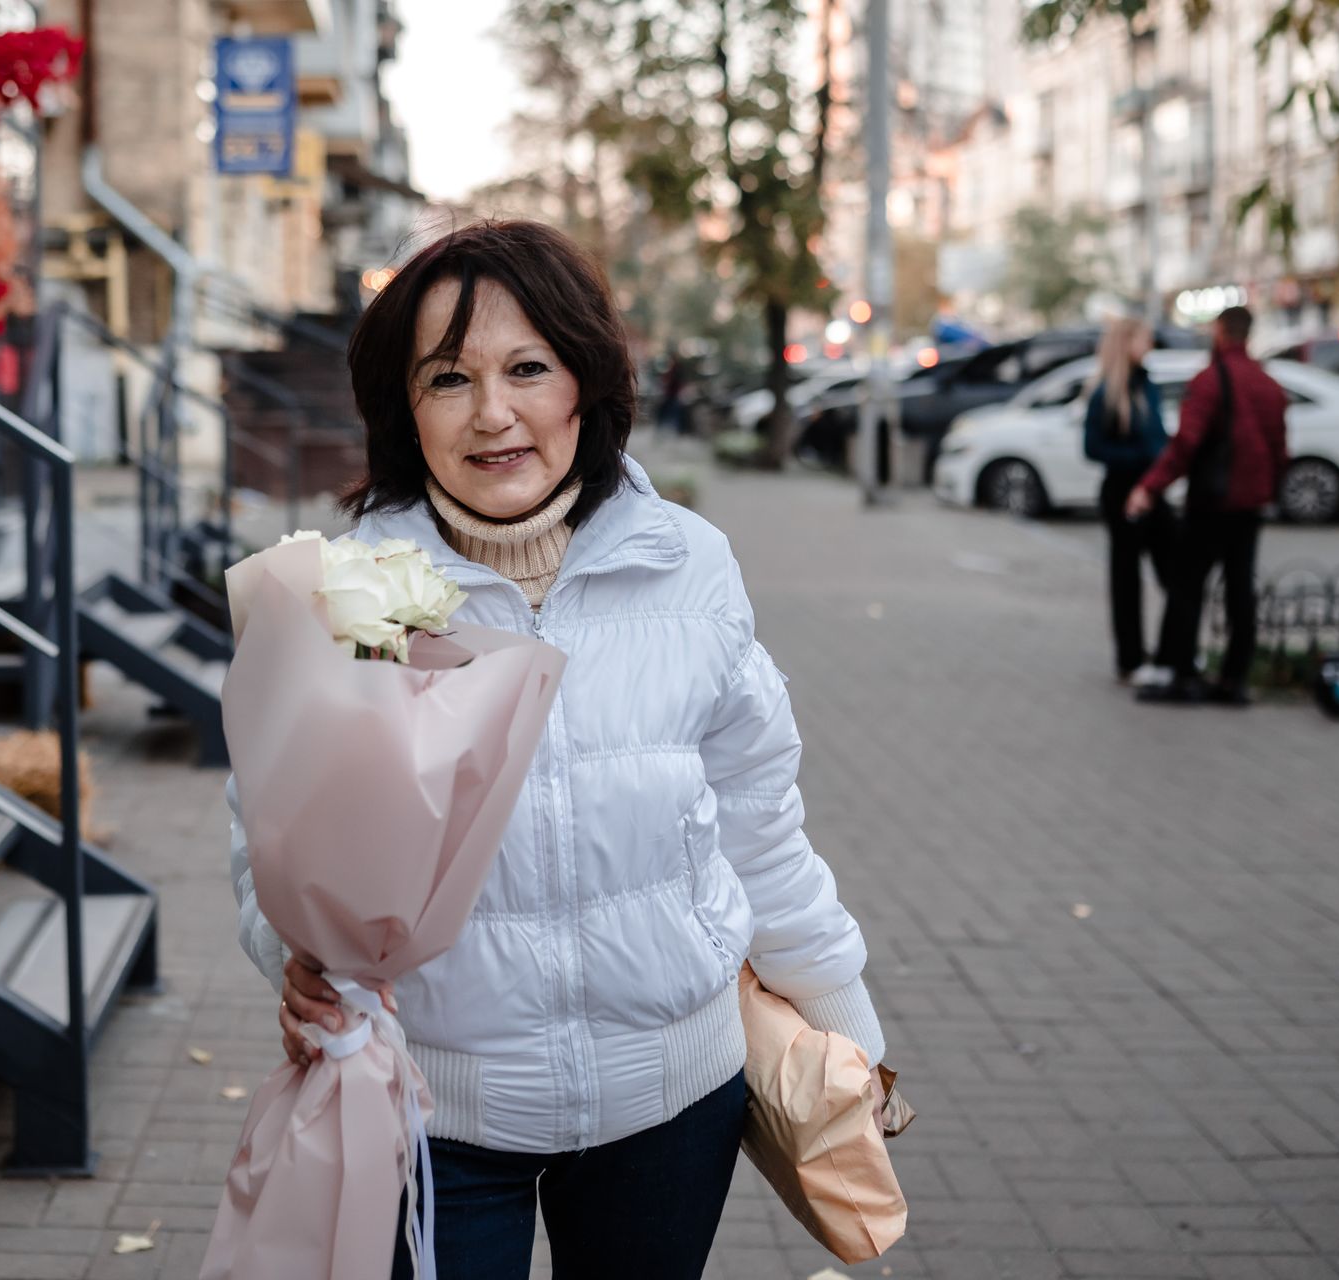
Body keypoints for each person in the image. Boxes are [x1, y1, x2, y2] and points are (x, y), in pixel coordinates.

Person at [227, 220, 889, 1280]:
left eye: (528, 368)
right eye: (449, 377)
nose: (494, 413)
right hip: (437, 1108)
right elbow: (264, 833)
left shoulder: (692, 566)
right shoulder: (339, 590)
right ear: (406, 405)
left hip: (671, 1102)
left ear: (588, 380)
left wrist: (850, 1028)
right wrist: (292, 954)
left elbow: (760, 822)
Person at [1126, 305, 1289, 705]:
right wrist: (1268, 492)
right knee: (1239, 590)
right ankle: (1234, 680)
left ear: (1219, 332)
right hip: (1249, 506)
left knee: (1186, 586)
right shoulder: (1268, 385)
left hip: (1211, 503)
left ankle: (1181, 675)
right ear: (1247, 335)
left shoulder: (1209, 381)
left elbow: (1185, 445)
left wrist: (1150, 486)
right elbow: (1279, 450)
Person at [1083, 316, 1176, 685]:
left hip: (1152, 489)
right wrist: (1138, 458)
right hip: (1122, 492)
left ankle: (1174, 652)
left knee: (1174, 569)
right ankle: (1131, 659)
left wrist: (1164, 457)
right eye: (1144, 339)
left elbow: (1158, 434)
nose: (1150, 346)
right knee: (1126, 578)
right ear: (1127, 343)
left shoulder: (1147, 385)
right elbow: (1092, 447)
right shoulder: (1107, 391)